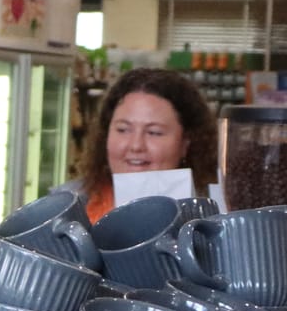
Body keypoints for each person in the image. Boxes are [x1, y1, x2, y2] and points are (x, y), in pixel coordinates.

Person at [66, 67, 218, 223]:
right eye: (123, 129)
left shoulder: (214, 219)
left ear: (186, 143)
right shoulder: (69, 211)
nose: (136, 145)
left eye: (154, 132)